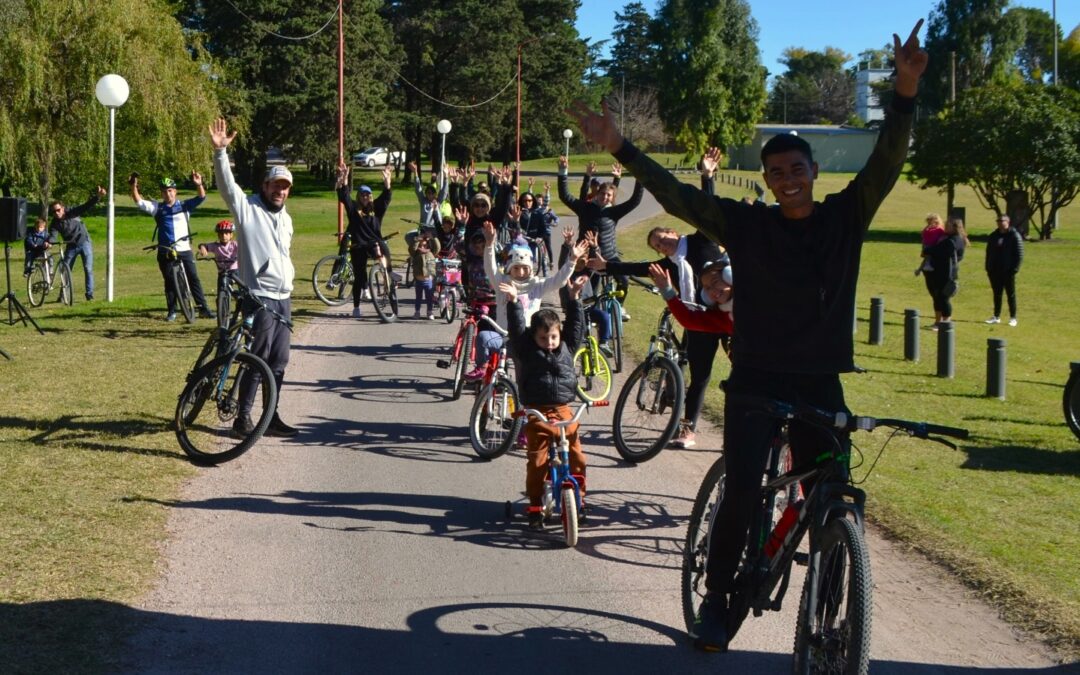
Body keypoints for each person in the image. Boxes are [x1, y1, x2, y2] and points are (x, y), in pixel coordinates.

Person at [568, 19, 928, 653]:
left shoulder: (847, 216)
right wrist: (622, 147)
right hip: (757, 379)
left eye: (797, 167)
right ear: (766, 181)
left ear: (813, 170)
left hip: (820, 378)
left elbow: (888, 159)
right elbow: (678, 195)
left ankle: (828, 604)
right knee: (740, 490)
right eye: (776, 171)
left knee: (831, 492)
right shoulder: (750, 226)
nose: (788, 177)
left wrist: (904, 90)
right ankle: (717, 597)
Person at [209, 117, 298, 439]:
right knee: (257, 359)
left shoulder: (285, 218)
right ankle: (242, 418)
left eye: (285, 187)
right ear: (265, 186)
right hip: (259, 294)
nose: (280, 191)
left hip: (284, 297)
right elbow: (226, 187)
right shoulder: (247, 209)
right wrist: (220, 153)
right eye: (276, 185)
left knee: (279, 361)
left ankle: (270, 416)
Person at [503, 276, 590, 530]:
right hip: (537, 410)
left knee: (578, 457)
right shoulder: (526, 349)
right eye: (543, 338)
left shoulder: (566, 347)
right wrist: (513, 302)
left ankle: (580, 499)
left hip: (563, 410)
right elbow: (517, 330)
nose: (549, 343)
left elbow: (577, 327)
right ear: (534, 337)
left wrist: (573, 299)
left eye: (552, 337)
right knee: (538, 460)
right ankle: (534, 503)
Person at [467, 221, 586, 380]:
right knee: (483, 337)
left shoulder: (537, 285)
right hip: (503, 337)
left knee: (524, 376)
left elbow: (559, 281)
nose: (520, 272)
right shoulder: (502, 283)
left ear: (531, 269)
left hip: (527, 340)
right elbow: (490, 268)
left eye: (525, 268)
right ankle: (481, 367)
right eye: (516, 268)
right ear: (509, 268)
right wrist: (489, 245)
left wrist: (572, 260)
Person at [557, 156, 643, 317]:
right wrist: (563, 172)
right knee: (590, 293)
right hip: (587, 259)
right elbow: (565, 196)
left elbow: (634, 201)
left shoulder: (614, 212)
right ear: (597, 194)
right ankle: (590, 316)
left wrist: (640, 179)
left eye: (609, 195)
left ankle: (619, 308)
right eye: (603, 194)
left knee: (624, 281)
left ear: (613, 197)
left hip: (610, 256)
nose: (605, 197)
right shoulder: (585, 208)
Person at [130, 173, 215, 321]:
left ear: (175, 192)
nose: (167, 194)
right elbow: (139, 202)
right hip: (165, 250)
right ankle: (172, 310)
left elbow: (201, 197)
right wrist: (133, 187)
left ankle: (203, 308)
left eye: (170, 190)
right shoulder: (158, 207)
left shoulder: (184, 205)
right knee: (169, 281)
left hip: (184, 248)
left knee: (193, 278)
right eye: (164, 191)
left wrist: (198, 184)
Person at [335, 159, 393, 318]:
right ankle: (356, 307)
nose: (366, 197)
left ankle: (388, 274)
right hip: (358, 246)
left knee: (382, 250)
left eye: (368, 194)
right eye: (363, 194)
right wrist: (345, 181)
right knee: (359, 276)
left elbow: (387, 197)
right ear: (359, 196)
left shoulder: (376, 208)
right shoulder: (354, 209)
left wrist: (387, 183)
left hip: (373, 243)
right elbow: (344, 197)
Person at [48, 185, 105, 301]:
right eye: (54, 212)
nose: (56, 213)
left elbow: (85, 206)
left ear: (63, 208)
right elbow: (53, 236)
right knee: (65, 270)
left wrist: (98, 197)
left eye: (58, 210)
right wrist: (49, 242)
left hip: (84, 242)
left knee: (88, 268)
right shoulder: (54, 223)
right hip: (71, 246)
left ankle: (89, 295)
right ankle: (63, 295)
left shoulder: (72, 212)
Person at [923, 216, 968, 328]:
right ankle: (938, 322)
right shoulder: (948, 238)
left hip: (946, 273)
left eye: (948, 225)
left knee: (943, 298)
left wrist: (929, 250)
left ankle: (945, 323)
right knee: (937, 297)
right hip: (938, 271)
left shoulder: (954, 240)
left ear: (954, 227)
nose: (945, 226)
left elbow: (939, 251)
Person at [984, 214, 1024, 327]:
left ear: (1008, 222)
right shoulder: (993, 236)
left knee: (1010, 294)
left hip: (1008, 270)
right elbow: (988, 252)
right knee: (997, 294)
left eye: (1002, 221)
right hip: (994, 270)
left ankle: (1013, 317)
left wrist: (1015, 269)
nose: (1000, 223)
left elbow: (1019, 254)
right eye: (998, 221)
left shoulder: (1014, 236)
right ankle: (996, 316)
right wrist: (988, 267)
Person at [197, 219, 239, 293]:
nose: (224, 236)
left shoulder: (234, 244)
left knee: (243, 291)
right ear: (218, 235)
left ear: (231, 235)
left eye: (226, 233)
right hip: (222, 273)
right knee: (221, 293)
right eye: (221, 233)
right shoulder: (215, 246)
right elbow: (202, 245)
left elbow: (245, 248)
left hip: (235, 271)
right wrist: (203, 248)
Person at [408, 227, 441, 319]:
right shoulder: (416, 253)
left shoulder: (431, 253)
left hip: (428, 280)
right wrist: (417, 240)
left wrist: (433, 237)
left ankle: (429, 312)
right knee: (418, 298)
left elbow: (437, 247)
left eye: (425, 246)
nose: (423, 248)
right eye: (421, 245)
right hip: (418, 280)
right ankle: (417, 312)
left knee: (429, 298)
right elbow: (411, 249)